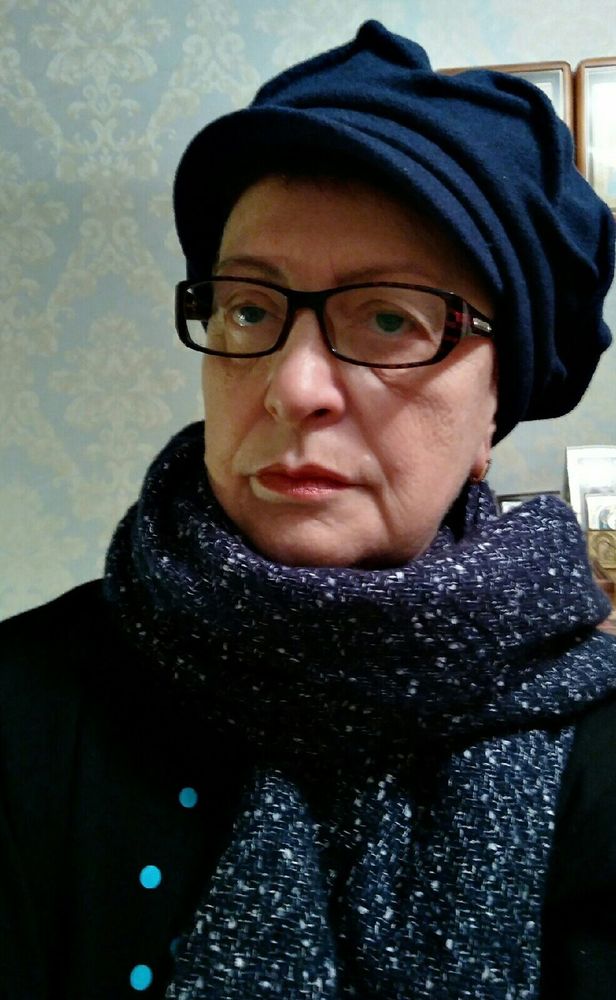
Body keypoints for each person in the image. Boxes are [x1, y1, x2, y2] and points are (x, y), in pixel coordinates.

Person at [1, 19, 615, 1000]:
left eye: (389, 318)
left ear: (496, 405)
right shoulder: (25, 705)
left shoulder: (598, 745)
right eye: (250, 308)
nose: (292, 389)